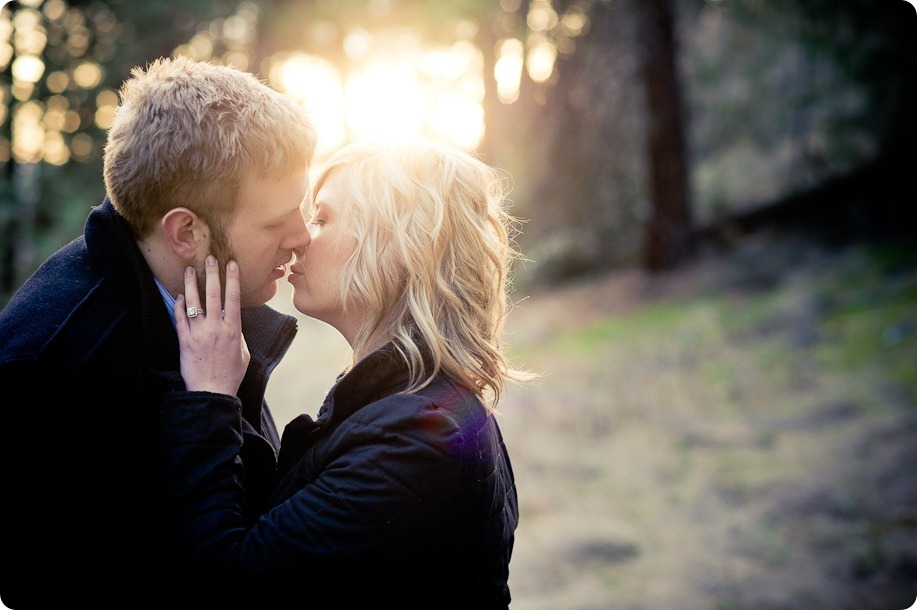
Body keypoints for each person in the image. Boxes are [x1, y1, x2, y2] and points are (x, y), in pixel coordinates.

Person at [160, 139, 533, 608]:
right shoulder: (399, 405)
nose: (299, 237)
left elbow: (228, 582)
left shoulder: (417, 444)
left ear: (399, 245)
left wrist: (210, 400)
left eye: (322, 218)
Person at [0, 56, 316, 608]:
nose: (302, 236)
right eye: (275, 222)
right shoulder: (47, 368)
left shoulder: (209, 291)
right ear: (186, 231)